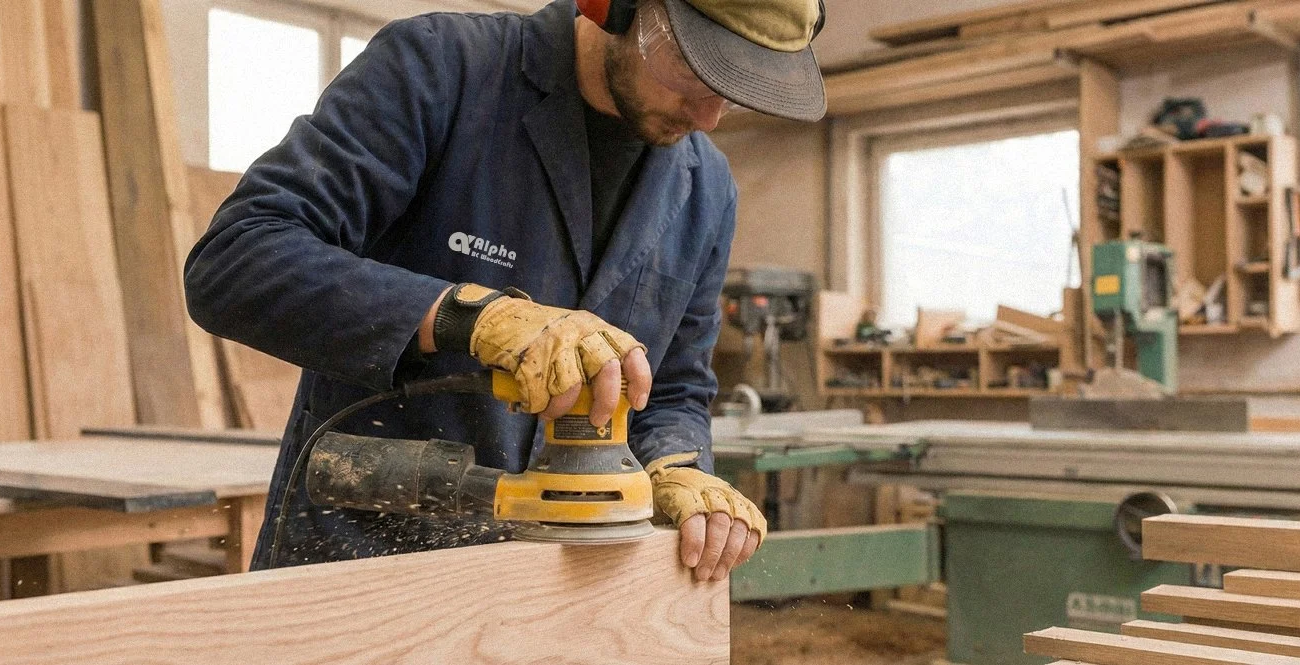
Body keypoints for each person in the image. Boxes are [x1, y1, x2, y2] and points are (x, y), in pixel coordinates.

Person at [183, 0, 827, 582]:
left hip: (559, 585)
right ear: (611, 7)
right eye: (693, 71)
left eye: (732, 92)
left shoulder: (705, 188)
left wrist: (677, 464)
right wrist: (472, 317)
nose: (709, 117)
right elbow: (235, 259)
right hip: (363, 555)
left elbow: (674, 387)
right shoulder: (442, 70)